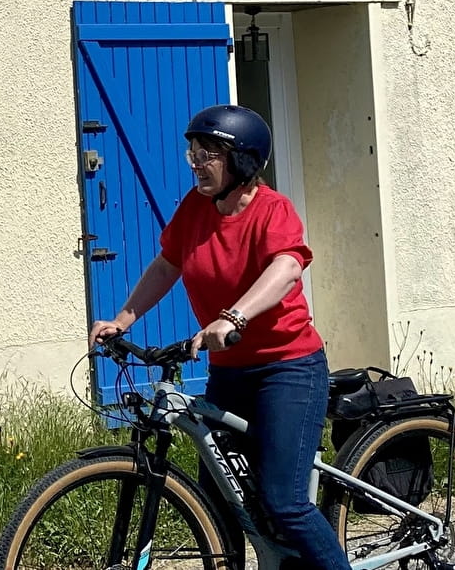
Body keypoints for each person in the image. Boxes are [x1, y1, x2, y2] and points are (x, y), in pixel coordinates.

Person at [88, 105, 348, 570]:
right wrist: (123, 319)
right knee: (221, 504)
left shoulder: (272, 211)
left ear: (243, 161)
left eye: (208, 153)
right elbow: (168, 264)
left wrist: (234, 317)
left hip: (287, 369)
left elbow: (287, 267)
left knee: (283, 501)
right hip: (229, 373)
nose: (195, 162)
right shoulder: (195, 209)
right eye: (192, 152)